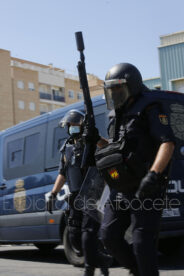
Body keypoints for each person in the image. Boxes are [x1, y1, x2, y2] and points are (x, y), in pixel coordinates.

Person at [85, 63, 175, 276]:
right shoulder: (115, 115)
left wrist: (153, 175)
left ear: (131, 86)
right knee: (108, 235)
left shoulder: (150, 107)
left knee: (143, 244)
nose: (114, 93)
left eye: (118, 88)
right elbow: (114, 150)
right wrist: (96, 140)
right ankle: (136, 270)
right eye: (111, 89)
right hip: (122, 185)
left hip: (147, 187)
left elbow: (167, 143)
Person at [46, 109, 112, 276]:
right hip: (75, 196)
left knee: (88, 233)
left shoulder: (90, 142)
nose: (71, 128)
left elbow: (107, 147)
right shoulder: (66, 148)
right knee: (74, 236)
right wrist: (53, 193)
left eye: (75, 125)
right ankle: (100, 259)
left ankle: (89, 268)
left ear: (82, 126)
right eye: (69, 125)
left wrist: (95, 138)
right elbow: (62, 173)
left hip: (91, 193)